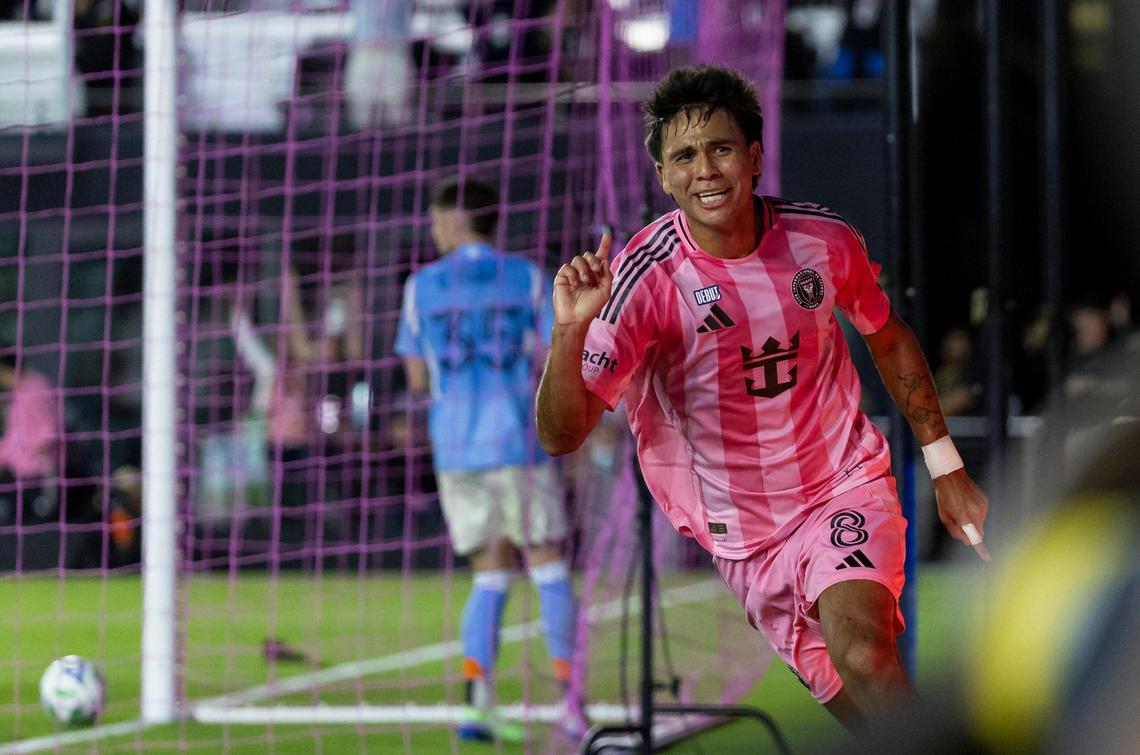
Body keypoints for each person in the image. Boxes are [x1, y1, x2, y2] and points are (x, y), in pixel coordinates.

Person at [536, 65, 990, 727]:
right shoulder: (643, 278)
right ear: (663, 175)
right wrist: (569, 329)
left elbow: (886, 335)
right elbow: (560, 434)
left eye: (721, 149)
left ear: (754, 156)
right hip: (743, 541)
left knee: (864, 655)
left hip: (842, 485)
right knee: (868, 722)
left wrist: (945, 465)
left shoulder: (823, 240)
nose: (707, 171)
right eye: (684, 156)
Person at [394, 176, 581, 742]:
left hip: (455, 447)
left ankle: (476, 702)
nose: (433, 231)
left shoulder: (420, 286)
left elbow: (417, 375)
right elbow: (556, 355)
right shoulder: (525, 277)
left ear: (454, 219)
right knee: (546, 561)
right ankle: (570, 704)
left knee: (489, 571)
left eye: (435, 220)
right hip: (517, 440)